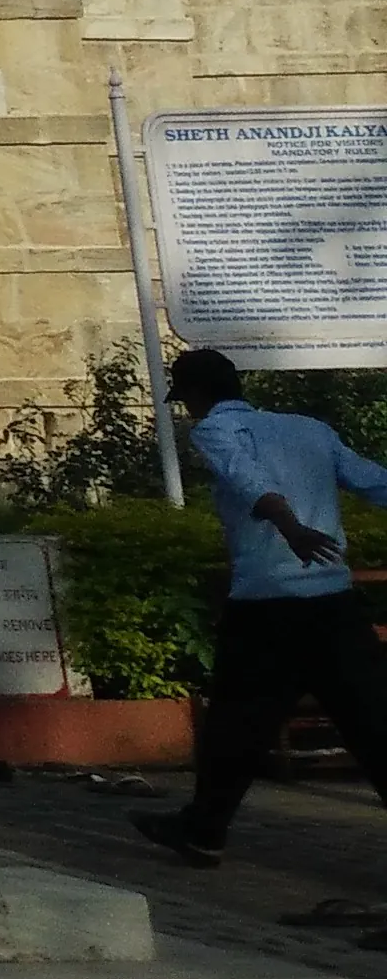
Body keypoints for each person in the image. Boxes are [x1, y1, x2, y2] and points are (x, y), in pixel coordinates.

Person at [134, 346, 387, 866]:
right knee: (373, 724)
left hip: (266, 605)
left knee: (237, 726)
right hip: (333, 601)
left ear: (196, 396)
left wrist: (289, 526)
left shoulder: (213, 430)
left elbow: (247, 478)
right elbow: (372, 480)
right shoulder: (308, 429)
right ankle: (201, 828)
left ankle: (205, 830)